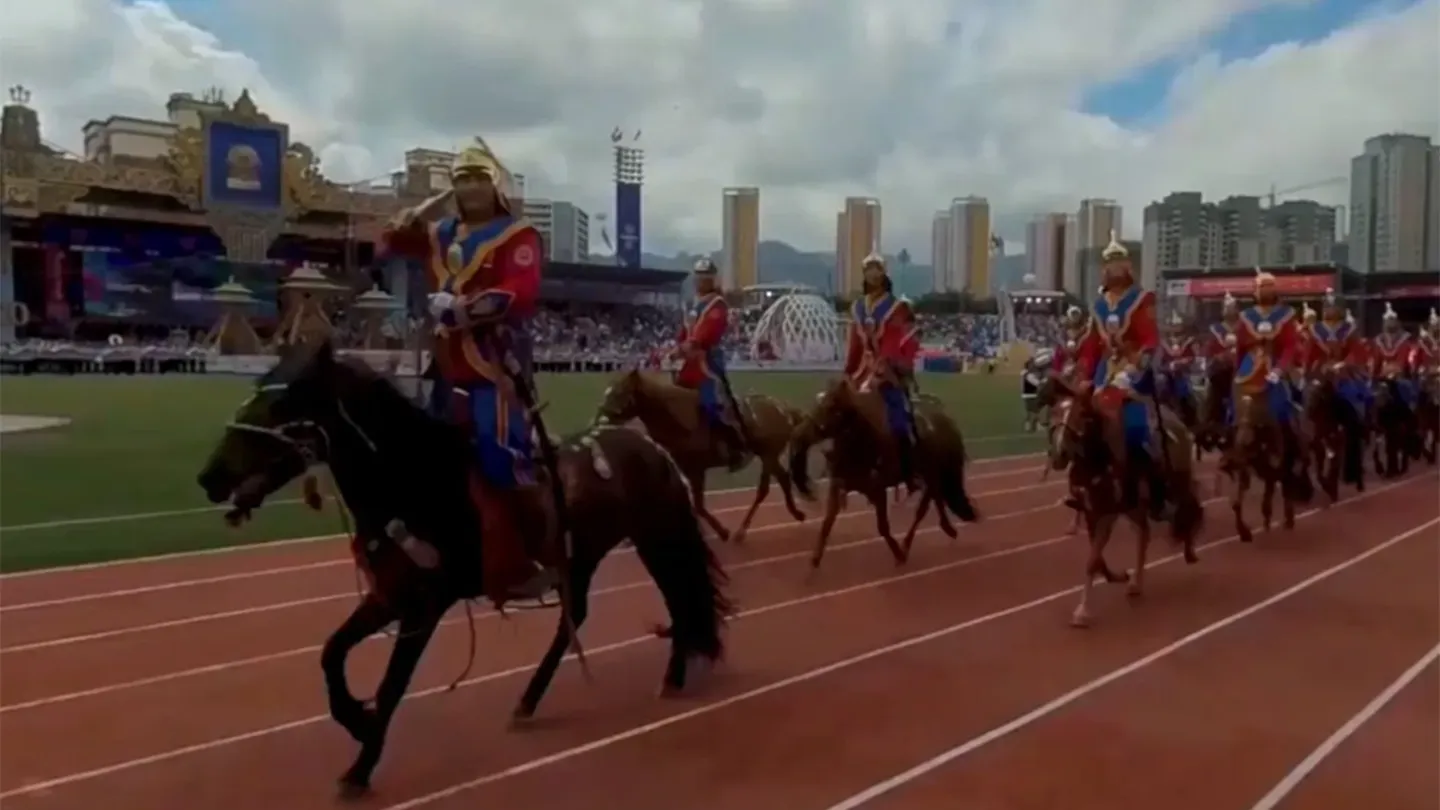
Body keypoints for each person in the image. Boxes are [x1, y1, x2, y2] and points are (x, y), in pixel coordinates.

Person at [381, 141, 557, 605]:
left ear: (494, 184)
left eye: (479, 177)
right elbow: (390, 242)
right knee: (418, 457)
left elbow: (521, 292)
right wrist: (410, 216)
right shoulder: (440, 232)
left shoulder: (518, 235)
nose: (470, 187)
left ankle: (534, 554)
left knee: (499, 455)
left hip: (493, 361)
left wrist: (462, 309)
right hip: (442, 360)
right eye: (462, 179)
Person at [1072, 232, 1167, 518]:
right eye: (1108, 264)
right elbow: (1090, 346)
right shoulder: (1098, 305)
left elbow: (1150, 338)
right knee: (1077, 421)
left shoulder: (1142, 299)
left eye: (1118, 263)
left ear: (1127, 267)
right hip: (1103, 372)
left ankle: (1151, 481)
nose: (1112, 270)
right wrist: (1085, 374)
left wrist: (1137, 365)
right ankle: (1082, 483)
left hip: (1133, 369)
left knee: (1135, 426)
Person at [845, 252, 921, 486]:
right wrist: (847, 373)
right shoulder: (857, 307)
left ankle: (908, 466)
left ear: (884, 273)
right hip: (863, 368)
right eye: (868, 269)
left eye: (877, 269)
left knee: (897, 415)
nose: (872, 273)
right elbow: (855, 344)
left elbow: (893, 341)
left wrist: (883, 368)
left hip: (889, 368)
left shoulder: (897, 307)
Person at [673, 258, 747, 469]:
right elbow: (685, 330)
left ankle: (732, 444)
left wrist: (687, 346)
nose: (701, 282)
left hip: (707, 362)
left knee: (711, 403)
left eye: (705, 278)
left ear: (712, 279)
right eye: (698, 277)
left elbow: (706, 334)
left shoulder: (718, 305)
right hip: (688, 363)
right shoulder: (691, 303)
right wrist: (676, 346)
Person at [1234, 267, 1301, 449]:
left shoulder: (1286, 315)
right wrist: (1236, 370)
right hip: (1249, 369)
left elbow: (1290, 345)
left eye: (1269, 287)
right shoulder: (1246, 316)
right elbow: (1240, 348)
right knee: (1234, 408)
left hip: (1276, 366)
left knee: (1283, 406)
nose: (1265, 291)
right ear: (1255, 291)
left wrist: (1279, 369)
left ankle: (1292, 445)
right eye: (1262, 287)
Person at [1307, 289, 1369, 420]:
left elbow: (1355, 352)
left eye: (1333, 307)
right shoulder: (1315, 329)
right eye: (1327, 306)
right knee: (1308, 396)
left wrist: (1344, 364)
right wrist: (1312, 370)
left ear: (1341, 309)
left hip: (1344, 373)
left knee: (1354, 394)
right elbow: (1310, 354)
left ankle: (1358, 426)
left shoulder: (1349, 329)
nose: (1329, 310)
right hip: (1321, 372)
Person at [1370, 302, 1419, 411]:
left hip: (1400, 376)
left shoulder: (1405, 340)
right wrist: (1373, 377)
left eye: (1392, 321)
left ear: (1397, 322)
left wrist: (1397, 371)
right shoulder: (1378, 341)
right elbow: (1375, 361)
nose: (1390, 324)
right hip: (1382, 377)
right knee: (1369, 395)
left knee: (1407, 389)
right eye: (1388, 321)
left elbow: (1405, 361)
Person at [1207, 292, 1241, 360]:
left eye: (1233, 308)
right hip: (1222, 366)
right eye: (1227, 308)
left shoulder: (1244, 327)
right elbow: (1210, 352)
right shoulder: (1215, 329)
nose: (1230, 311)